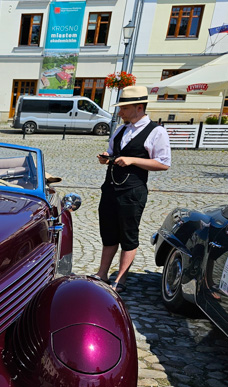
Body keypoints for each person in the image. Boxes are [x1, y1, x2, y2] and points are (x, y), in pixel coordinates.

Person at [95, 85, 171, 293]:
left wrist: (133, 160)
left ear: (139, 107)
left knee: (128, 234)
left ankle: (121, 278)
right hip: (110, 188)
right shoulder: (121, 129)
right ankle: (102, 273)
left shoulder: (156, 131)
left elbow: (164, 163)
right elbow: (112, 152)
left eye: (124, 108)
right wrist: (106, 157)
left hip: (132, 191)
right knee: (108, 232)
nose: (119, 112)